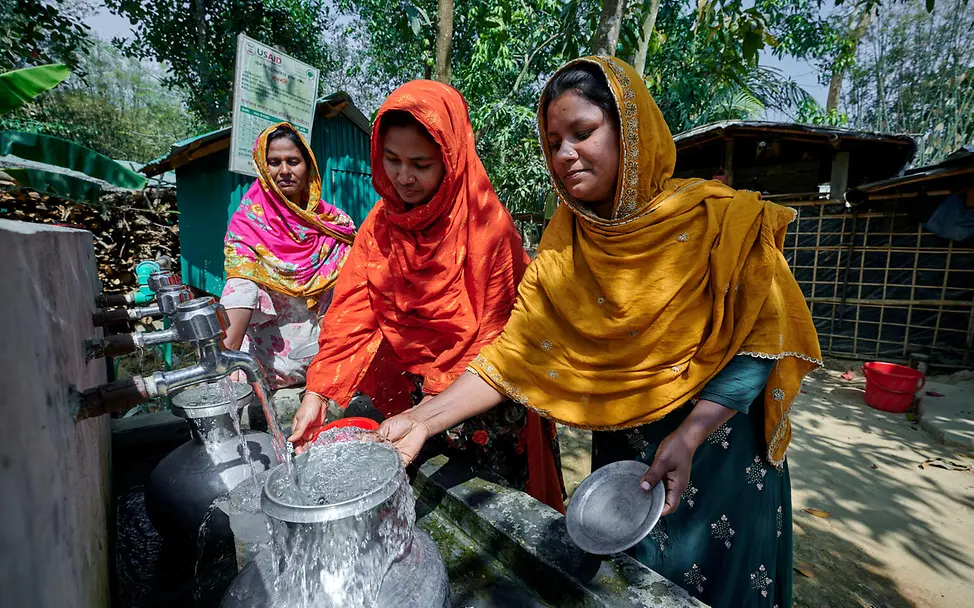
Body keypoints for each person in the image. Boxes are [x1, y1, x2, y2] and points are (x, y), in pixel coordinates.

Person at [377, 57, 822, 608]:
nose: (565, 154)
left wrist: (688, 435)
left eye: (583, 133)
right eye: (554, 140)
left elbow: (761, 346)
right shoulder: (567, 246)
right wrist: (419, 421)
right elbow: (512, 359)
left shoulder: (722, 221)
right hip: (625, 455)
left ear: (629, 131)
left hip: (719, 452)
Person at [288, 80, 565, 513]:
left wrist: (436, 407)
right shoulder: (380, 227)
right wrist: (316, 394)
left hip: (484, 403)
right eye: (392, 160)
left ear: (452, 161)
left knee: (489, 518)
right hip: (417, 401)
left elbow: (501, 341)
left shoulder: (488, 229)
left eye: (421, 163)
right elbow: (352, 315)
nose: (403, 177)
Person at [221, 122, 355, 389]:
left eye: (293, 161)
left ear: (309, 168)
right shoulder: (248, 224)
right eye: (274, 162)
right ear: (263, 166)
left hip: (326, 361)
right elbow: (239, 288)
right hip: (264, 367)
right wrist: (224, 360)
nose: (284, 171)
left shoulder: (333, 224)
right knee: (241, 282)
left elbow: (353, 293)